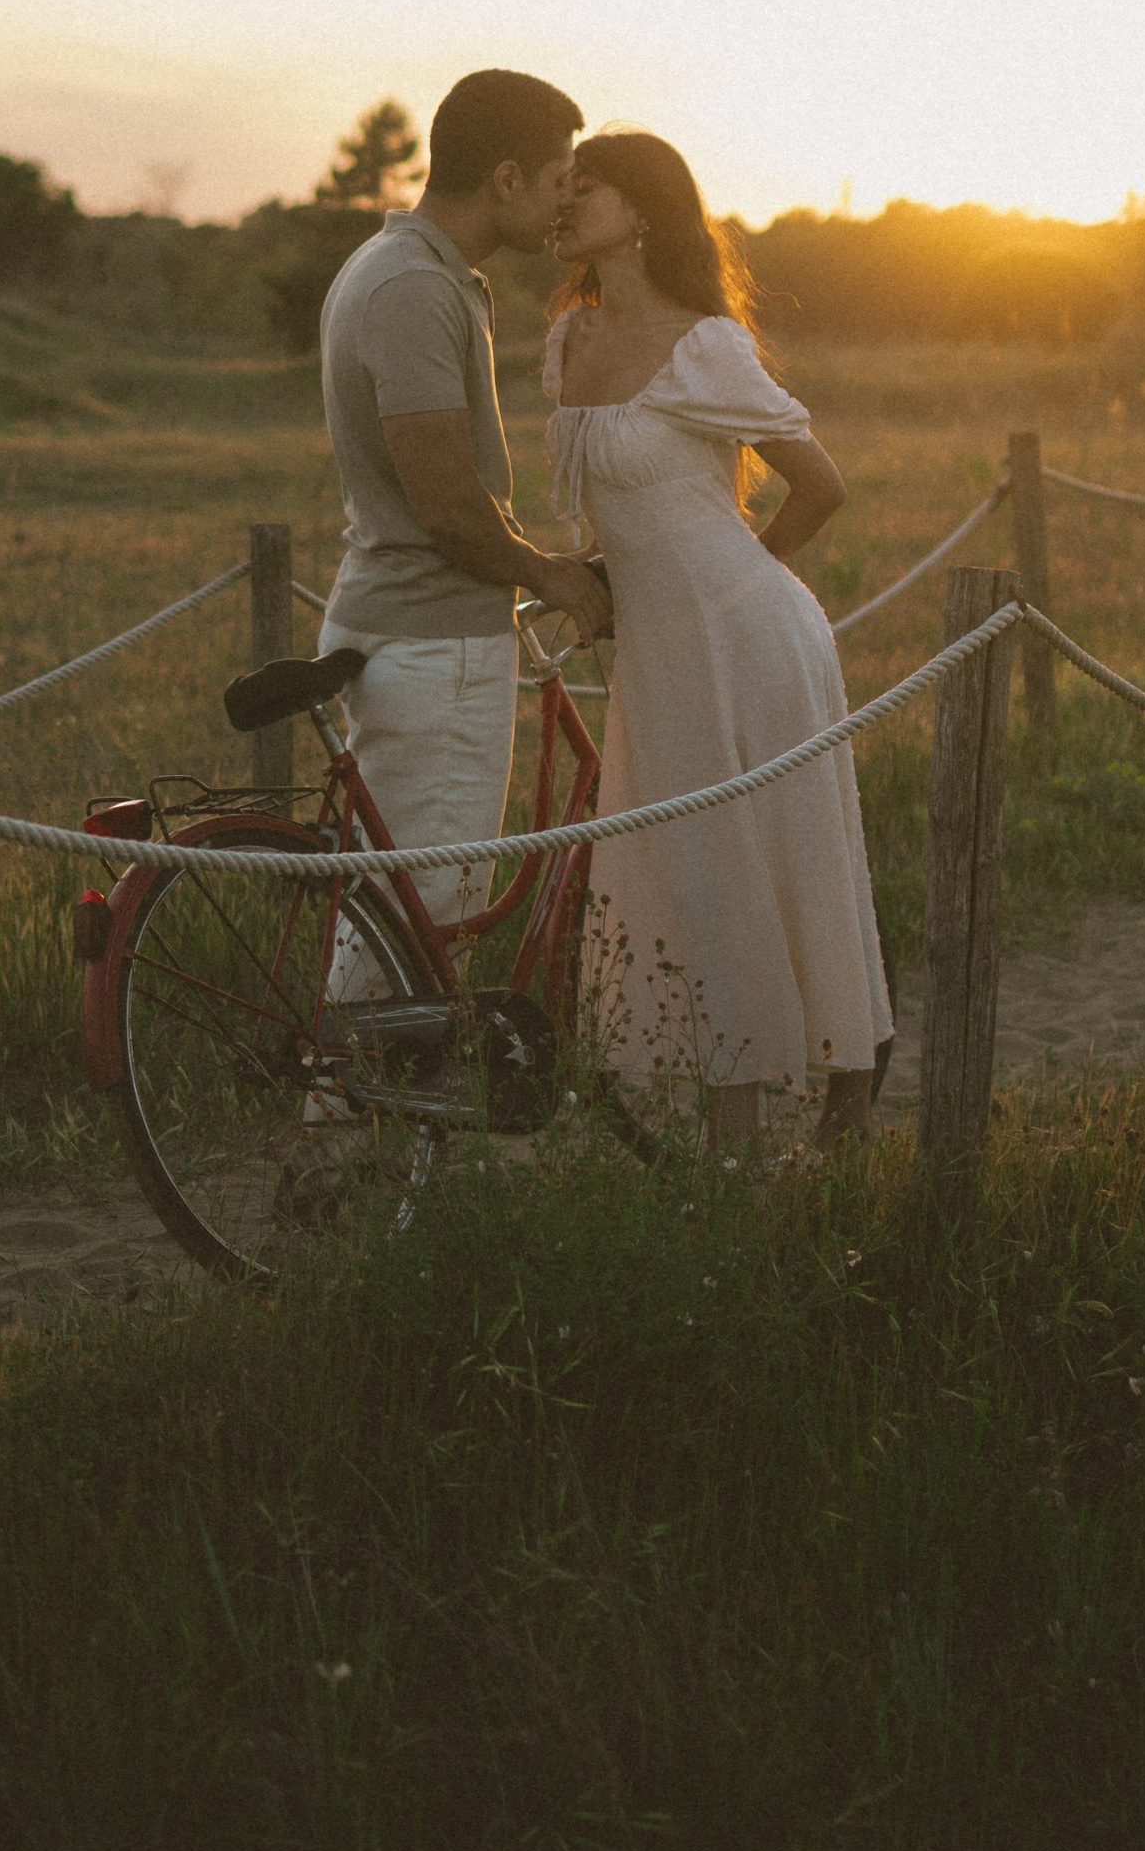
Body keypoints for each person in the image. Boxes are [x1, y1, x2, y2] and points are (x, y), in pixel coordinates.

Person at [545, 129, 892, 1147]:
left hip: (751, 638)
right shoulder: (569, 339)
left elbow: (820, 486)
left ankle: (836, 1116)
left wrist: (737, 582)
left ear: (642, 210)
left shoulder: (705, 344)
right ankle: (731, 1145)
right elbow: (624, 504)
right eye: (562, 186)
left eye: (585, 187)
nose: (565, 203)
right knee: (698, 879)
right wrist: (610, 572)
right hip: (659, 657)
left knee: (783, 865)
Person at [316, 69, 610, 929]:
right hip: (430, 641)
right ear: (507, 179)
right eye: (557, 182)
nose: (563, 205)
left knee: (394, 923)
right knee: (428, 921)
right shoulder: (412, 287)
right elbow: (444, 503)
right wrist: (549, 575)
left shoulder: (407, 268)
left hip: (414, 630)